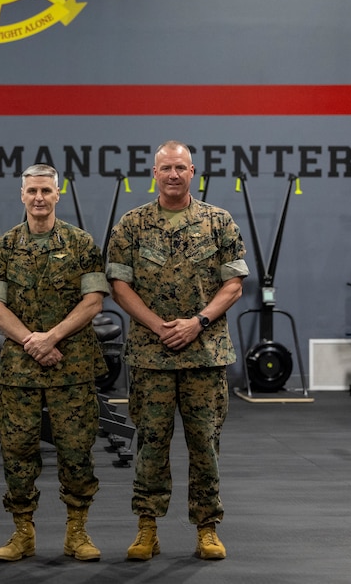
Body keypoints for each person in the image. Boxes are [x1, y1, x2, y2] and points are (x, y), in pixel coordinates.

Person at [106, 140, 249, 562]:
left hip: (205, 354)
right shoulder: (131, 225)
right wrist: (156, 325)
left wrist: (197, 322)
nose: (173, 174)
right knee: (151, 443)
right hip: (152, 357)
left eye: (180, 168)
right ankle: (146, 528)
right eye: (165, 167)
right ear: (154, 173)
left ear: (193, 172)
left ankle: (207, 528)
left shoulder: (218, 221)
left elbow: (234, 284)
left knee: (205, 442)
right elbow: (119, 285)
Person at [0, 164, 109, 563]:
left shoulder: (82, 244)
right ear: (22, 195)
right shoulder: (3, 248)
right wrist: (31, 342)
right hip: (20, 370)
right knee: (18, 452)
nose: (39, 198)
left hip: (71, 366)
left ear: (59, 194)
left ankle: (77, 533)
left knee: (76, 450)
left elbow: (93, 301)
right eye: (32, 190)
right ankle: (23, 533)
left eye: (46, 191)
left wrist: (51, 338)